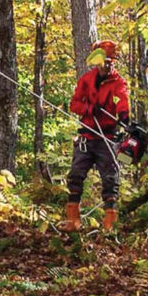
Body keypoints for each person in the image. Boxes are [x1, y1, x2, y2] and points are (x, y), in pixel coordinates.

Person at [60, 40, 130, 233]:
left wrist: (123, 116)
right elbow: (74, 105)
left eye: (110, 61)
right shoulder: (86, 80)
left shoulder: (118, 82)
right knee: (75, 175)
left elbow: (121, 100)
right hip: (87, 136)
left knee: (110, 178)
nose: (107, 65)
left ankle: (110, 224)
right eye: (104, 61)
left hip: (107, 137)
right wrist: (89, 109)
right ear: (96, 61)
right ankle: (73, 220)